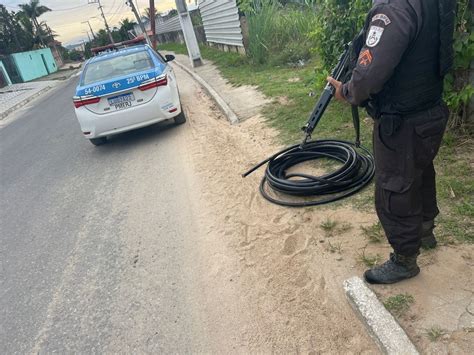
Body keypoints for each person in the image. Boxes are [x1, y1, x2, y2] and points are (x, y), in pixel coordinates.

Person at [327, 0, 456, 284]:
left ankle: (404, 260)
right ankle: (424, 231)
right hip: (430, 110)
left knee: (395, 186)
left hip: (402, 120)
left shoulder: (393, 9)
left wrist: (347, 91)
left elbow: (370, 74)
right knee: (420, 172)